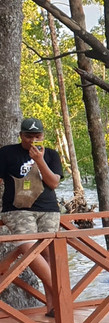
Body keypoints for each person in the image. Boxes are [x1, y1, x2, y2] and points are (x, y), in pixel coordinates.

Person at [0, 117, 64, 313]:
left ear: (43, 136)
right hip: (17, 210)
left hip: (48, 210)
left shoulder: (51, 155)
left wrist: (39, 160)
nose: (33, 140)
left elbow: (53, 183)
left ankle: (54, 307)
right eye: (28, 136)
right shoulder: (7, 153)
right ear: (21, 135)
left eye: (37, 136)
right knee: (28, 246)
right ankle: (63, 293)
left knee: (48, 255)